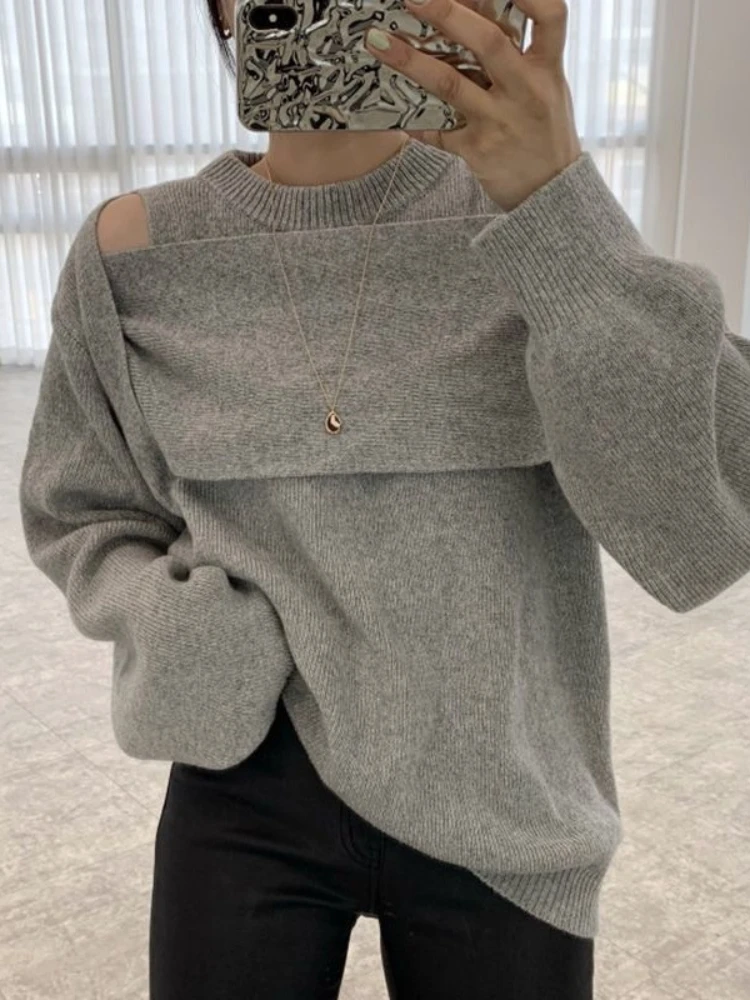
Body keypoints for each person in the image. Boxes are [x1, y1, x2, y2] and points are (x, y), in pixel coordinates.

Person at [19, 0, 750, 997]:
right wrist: (172, 623)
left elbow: (696, 522)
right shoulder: (131, 254)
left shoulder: (528, 218)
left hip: (503, 785)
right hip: (249, 776)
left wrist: (560, 206)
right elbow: (79, 505)